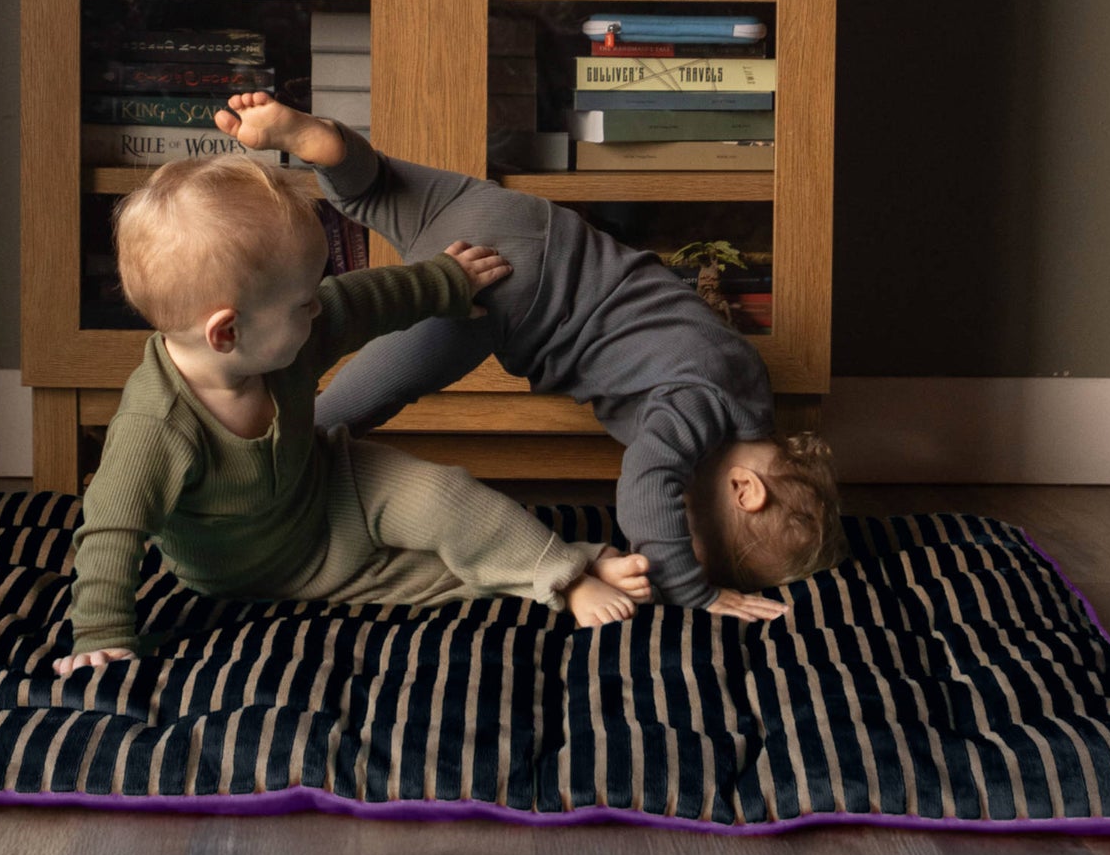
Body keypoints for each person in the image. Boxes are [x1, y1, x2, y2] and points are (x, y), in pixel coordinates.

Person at [212, 99, 842, 619]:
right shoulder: (700, 410)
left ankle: (320, 143)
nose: (676, 538)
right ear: (744, 489)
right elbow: (645, 488)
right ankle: (246, 478)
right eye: (698, 534)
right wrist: (695, 590)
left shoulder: (748, 388)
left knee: (382, 193)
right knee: (345, 412)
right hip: (508, 289)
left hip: (530, 225)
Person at [58, 155, 652, 668]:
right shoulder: (155, 427)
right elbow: (113, 530)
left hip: (328, 482)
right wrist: (102, 633)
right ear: (225, 332)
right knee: (446, 574)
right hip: (260, 572)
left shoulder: (281, 336)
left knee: (441, 497)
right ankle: (562, 573)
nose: (318, 308)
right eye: (303, 302)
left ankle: (563, 570)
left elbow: (364, 301)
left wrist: (445, 280)